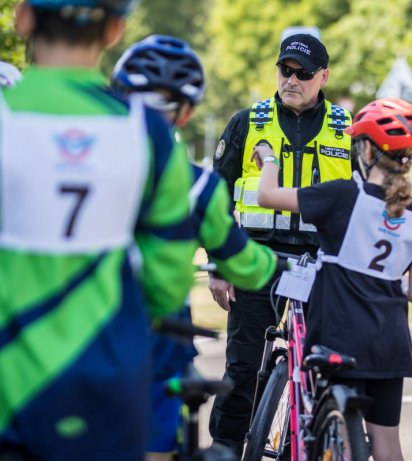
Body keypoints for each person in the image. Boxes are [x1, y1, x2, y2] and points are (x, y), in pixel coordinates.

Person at [0, 1, 197, 460]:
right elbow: (168, 281)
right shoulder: (146, 130)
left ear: (23, 18)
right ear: (114, 30)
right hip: (109, 381)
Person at [112, 35, 278, 461]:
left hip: (71, 332)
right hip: (158, 340)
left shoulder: (69, 162)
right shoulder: (196, 184)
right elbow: (245, 264)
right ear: (185, 114)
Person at [254, 98, 412, 461]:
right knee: (388, 445)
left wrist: (271, 159)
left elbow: (267, 196)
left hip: (338, 336)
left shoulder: (344, 196)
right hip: (391, 344)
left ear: (368, 148)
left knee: (336, 434)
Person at [208, 33, 353, 456]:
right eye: (284, 70)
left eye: (303, 73)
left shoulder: (347, 130)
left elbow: (365, 199)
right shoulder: (248, 123)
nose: (291, 79)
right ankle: (226, 449)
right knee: (241, 369)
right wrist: (218, 264)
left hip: (319, 263)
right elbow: (216, 196)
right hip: (255, 259)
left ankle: (310, 442)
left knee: (324, 367)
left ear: (323, 76)